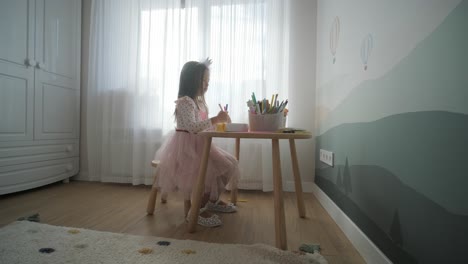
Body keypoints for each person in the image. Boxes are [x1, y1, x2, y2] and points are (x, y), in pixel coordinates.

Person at [153, 59, 239, 227]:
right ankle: (196, 210)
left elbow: (203, 126)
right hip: (186, 150)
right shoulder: (185, 102)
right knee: (207, 173)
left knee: (229, 165)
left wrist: (220, 123)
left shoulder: (200, 103)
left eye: (208, 81)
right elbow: (192, 127)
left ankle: (211, 200)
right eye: (203, 80)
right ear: (191, 80)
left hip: (202, 146)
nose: (207, 84)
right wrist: (215, 119)